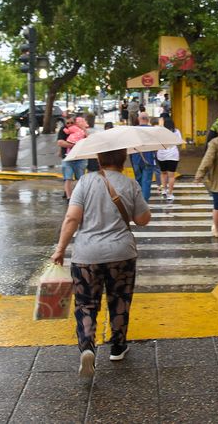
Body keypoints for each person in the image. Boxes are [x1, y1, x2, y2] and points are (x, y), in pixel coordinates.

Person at [51, 148, 151, 377]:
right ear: (123, 159)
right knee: (120, 301)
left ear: (98, 159)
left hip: (87, 256)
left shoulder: (85, 182)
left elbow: (72, 218)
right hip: (121, 254)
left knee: (86, 304)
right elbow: (142, 219)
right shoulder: (130, 184)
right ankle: (117, 347)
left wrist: (60, 249)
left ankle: (87, 346)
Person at [129, 112, 158, 201]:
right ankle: (144, 202)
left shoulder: (133, 130)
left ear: (139, 119)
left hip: (136, 159)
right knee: (146, 181)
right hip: (148, 159)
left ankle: (138, 200)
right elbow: (156, 146)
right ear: (148, 120)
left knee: (138, 181)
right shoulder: (153, 131)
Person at [57, 117, 88, 200]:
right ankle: (69, 197)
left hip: (80, 157)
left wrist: (84, 129)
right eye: (67, 123)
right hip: (67, 158)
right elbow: (60, 142)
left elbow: (88, 140)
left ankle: (80, 196)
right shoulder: (63, 130)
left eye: (71, 123)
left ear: (75, 122)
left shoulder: (80, 129)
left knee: (80, 179)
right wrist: (74, 145)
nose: (69, 124)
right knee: (68, 178)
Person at [156, 116, 182, 200]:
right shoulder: (176, 131)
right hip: (173, 155)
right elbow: (179, 142)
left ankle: (164, 190)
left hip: (161, 155)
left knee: (163, 173)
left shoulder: (160, 132)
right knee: (171, 176)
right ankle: (170, 194)